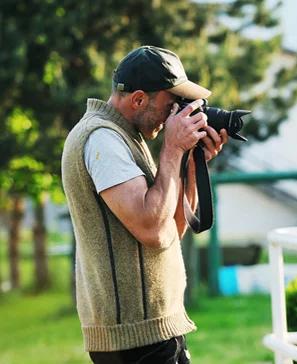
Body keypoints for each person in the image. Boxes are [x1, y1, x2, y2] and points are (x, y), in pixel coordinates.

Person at [61, 45, 228, 363]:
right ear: (138, 99)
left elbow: (168, 233)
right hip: (134, 341)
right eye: (170, 105)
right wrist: (173, 149)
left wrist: (192, 164)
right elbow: (150, 228)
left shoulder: (127, 137)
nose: (174, 116)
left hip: (151, 333)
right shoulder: (102, 139)